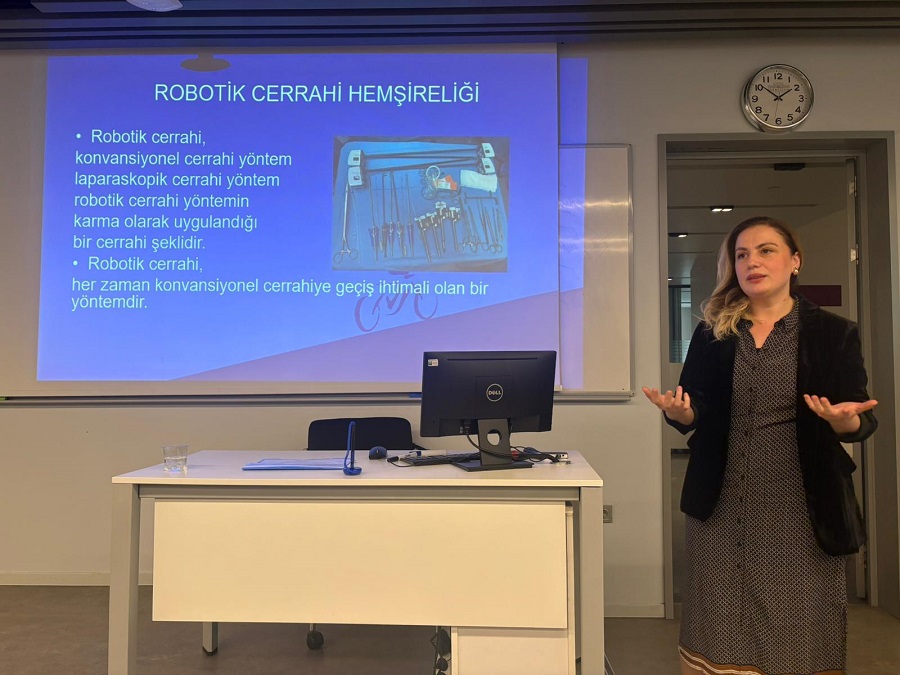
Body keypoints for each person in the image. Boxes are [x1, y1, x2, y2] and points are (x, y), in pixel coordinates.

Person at [643, 216, 878, 675]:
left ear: (795, 261)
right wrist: (681, 413)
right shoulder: (712, 332)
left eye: (766, 250)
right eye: (742, 255)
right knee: (720, 615)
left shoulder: (834, 333)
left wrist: (844, 420)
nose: (752, 262)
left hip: (801, 502)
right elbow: (696, 406)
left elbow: (860, 416)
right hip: (721, 499)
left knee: (797, 619)